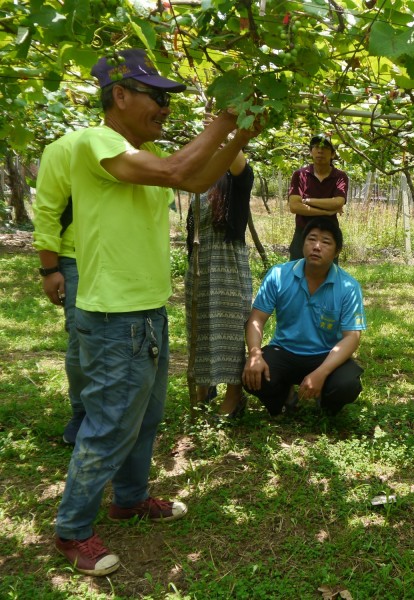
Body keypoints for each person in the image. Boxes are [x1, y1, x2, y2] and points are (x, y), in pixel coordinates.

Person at [54, 47, 260, 577]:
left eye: (169, 98)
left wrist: (239, 139)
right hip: (113, 316)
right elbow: (177, 169)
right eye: (156, 96)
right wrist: (226, 116)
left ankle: (129, 498)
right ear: (118, 96)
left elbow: (193, 180)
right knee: (108, 424)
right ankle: (73, 530)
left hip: (146, 312)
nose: (165, 107)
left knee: (144, 418)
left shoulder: (137, 160)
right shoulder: (97, 142)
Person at [242, 218, 366, 417]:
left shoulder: (349, 287)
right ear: (302, 243)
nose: (316, 247)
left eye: (326, 242)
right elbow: (256, 318)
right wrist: (255, 354)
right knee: (251, 374)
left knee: (347, 385)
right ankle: (283, 399)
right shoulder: (279, 275)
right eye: (311, 239)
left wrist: (322, 372)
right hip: (284, 351)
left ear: (337, 251)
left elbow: (352, 336)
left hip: (326, 355)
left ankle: (325, 406)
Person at [185, 150, 254, 418]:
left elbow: (241, 167)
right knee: (200, 328)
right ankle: (204, 385)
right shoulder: (199, 180)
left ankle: (234, 395)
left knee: (231, 330)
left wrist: (226, 134)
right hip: (200, 265)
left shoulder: (236, 180)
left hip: (227, 265)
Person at [32, 130, 89, 445]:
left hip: (123, 263)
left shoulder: (142, 150)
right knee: (82, 339)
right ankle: (82, 411)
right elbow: (48, 211)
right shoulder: (65, 148)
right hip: (76, 260)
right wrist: (50, 268)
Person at [287, 134, 348, 261]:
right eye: (316, 147)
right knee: (296, 273)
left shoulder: (340, 176)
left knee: (328, 275)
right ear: (310, 152)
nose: (320, 151)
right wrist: (327, 211)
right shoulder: (300, 175)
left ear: (332, 154)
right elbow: (294, 206)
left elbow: (338, 203)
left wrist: (307, 201)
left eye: (325, 147)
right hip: (303, 232)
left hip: (329, 234)